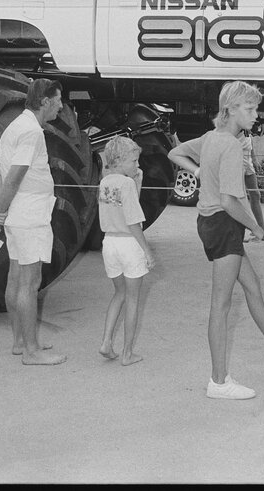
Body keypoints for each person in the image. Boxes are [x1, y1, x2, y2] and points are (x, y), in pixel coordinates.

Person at [168, 81, 264, 400]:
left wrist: (201, 173)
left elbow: (175, 152)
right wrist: (257, 228)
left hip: (212, 222)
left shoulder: (210, 138)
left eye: (255, 108)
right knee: (220, 305)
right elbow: (231, 200)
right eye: (249, 108)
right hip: (223, 223)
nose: (254, 114)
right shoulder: (231, 146)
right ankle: (218, 382)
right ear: (230, 109)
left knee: (252, 285)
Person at [0, 79, 67, 366]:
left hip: (18, 215)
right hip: (29, 215)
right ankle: (32, 352)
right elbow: (14, 176)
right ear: (45, 101)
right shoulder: (32, 132)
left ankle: (20, 342)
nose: (61, 105)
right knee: (29, 284)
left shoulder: (15, 126)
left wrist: (0, 212)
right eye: (58, 99)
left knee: (16, 279)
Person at [97, 136, 157, 366]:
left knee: (119, 294)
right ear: (120, 159)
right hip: (129, 245)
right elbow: (133, 221)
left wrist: (137, 181)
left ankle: (106, 342)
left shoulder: (106, 183)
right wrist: (147, 251)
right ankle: (127, 353)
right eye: (134, 161)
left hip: (109, 243)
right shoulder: (127, 184)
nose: (137, 165)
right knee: (133, 299)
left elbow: (128, 206)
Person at [240, 131, 264, 242]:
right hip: (237, 161)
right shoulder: (235, 122)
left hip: (247, 161)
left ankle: (263, 231)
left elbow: (249, 140)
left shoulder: (246, 126)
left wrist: (254, 159)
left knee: (255, 194)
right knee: (238, 197)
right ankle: (238, 232)